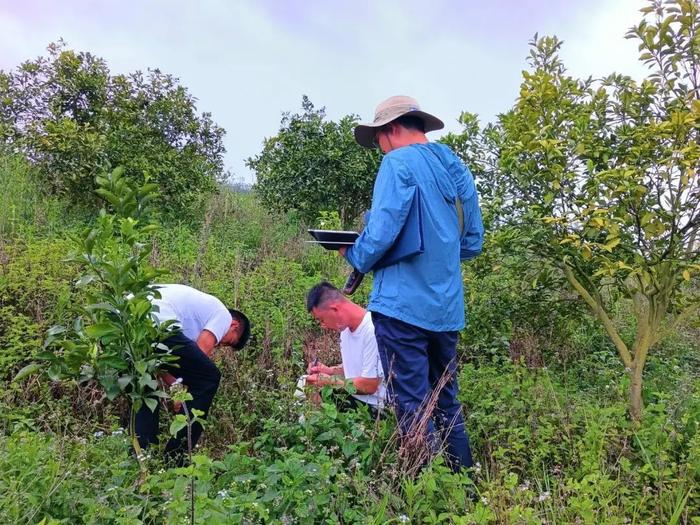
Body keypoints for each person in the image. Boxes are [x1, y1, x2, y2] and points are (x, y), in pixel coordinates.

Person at [340, 95, 484, 472]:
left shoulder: (396, 162)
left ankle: (428, 493)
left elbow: (383, 231)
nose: (380, 149)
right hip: (447, 311)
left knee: (411, 402)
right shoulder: (455, 166)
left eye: (378, 140)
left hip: (401, 308)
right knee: (445, 401)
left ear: (390, 130)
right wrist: (439, 255)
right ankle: (464, 484)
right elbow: (473, 242)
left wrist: (353, 254)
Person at [135, 283, 250, 464]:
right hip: (157, 320)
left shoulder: (187, 327)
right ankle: (176, 457)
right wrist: (183, 394)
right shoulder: (223, 316)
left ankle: (142, 458)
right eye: (228, 342)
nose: (220, 345)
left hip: (130, 320)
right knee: (209, 378)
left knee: (145, 387)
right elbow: (199, 358)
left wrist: (176, 390)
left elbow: (162, 365)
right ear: (234, 326)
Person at [303, 282, 386, 417]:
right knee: (308, 381)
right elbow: (356, 367)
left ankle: (312, 431)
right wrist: (329, 371)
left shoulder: (372, 330)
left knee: (314, 389)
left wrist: (331, 381)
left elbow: (370, 385)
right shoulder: (345, 330)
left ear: (335, 309)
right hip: (355, 397)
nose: (322, 325)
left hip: (374, 407)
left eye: (321, 319)